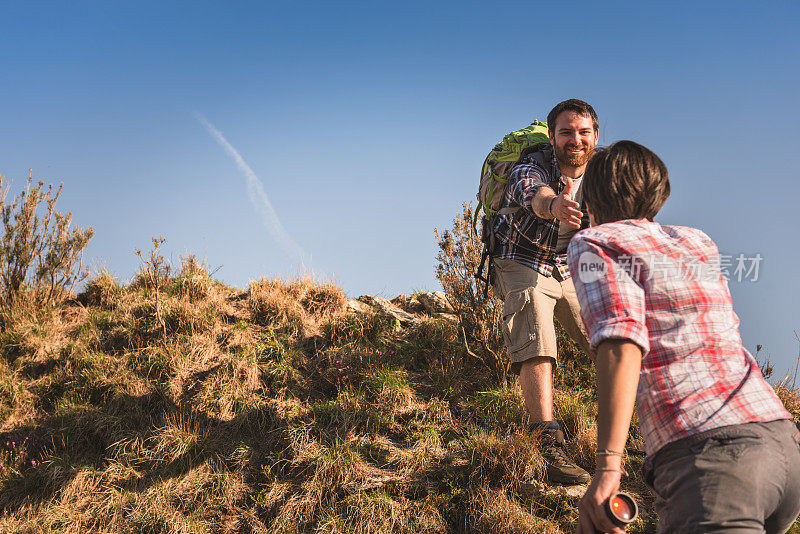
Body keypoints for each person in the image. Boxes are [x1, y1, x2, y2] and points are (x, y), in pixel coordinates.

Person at [568, 140, 800, 533]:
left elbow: (622, 342)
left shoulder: (596, 242)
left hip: (710, 457)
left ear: (589, 199)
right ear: (660, 191)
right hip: (781, 441)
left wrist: (608, 465)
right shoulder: (698, 241)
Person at [490, 99, 599, 484]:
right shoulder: (534, 162)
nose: (575, 139)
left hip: (569, 266)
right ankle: (546, 441)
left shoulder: (604, 170)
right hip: (520, 257)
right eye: (566, 132)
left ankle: (656, 432)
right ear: (553, 137)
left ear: (595, 136)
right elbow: (529, 191)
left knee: (611, 341)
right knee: (535, 318)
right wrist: (554, 204)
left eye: (583, 131)